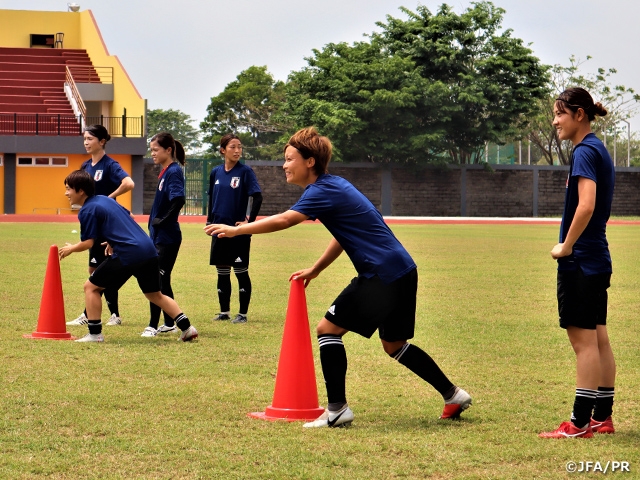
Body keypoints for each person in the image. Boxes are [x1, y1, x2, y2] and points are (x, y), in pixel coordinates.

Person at [205, 127, 471, 427]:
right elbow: (344, 235)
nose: (284, 165)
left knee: (327, 329)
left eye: (289, 159)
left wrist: (237, 229)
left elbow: (286, 219)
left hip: (380, 272)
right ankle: (453, 395)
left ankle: (337, 410)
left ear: (309, 162)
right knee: (394, 344)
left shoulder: (321, 191)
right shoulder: (335, 186)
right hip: (402, 269)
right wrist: (317, 269)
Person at [539, 88, 616, 439]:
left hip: (581, 260)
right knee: (598, 339)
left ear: (579, 114)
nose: (555, 121)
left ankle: (579, 423)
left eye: (560, 114)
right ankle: (602, 417)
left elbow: (586, 205)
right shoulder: (598, 148)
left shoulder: (585, 151)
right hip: (597, 258)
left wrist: (565, 246)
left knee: (583, 342)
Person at [58, 170, 198, 343]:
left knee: (91, 287)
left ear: (80, 191)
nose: (66, 193)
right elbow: (128, 217)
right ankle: (187, 328)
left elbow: (88, 243)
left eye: (68, 189)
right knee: (155, 295)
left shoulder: (86, 210)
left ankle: (94, 334)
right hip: (148, 249)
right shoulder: (106, 199)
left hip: (129, 253)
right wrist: (113, 239)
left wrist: (71, 248)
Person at [67, 125, 135, 328]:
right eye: (84, 139)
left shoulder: (110, 165)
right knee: (94, 269)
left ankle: (111, 314)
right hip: (94, 224)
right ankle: (97, 313)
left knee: (102, 270)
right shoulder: (86, 166)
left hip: (108, 226)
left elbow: (129, 183)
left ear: (102, 141)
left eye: (90, 139)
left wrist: (109, 198)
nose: (86, 142)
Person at [206, 133, 262, 324]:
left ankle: (243, 314)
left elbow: (257, 196)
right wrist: (209, 220)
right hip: (219, 230)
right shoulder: (216, 172)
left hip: (238, 231)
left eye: (239, 147)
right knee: (222, 270)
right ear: (223, 150)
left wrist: (250, 223)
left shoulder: (245, 172)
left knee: (240, 271)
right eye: (233, 147)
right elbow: (211, 198)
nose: (237, 150)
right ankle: (224, 312)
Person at [141, 133, 186, 337]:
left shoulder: (174, 171)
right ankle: (169, 322)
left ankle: (152, 325)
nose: (153, 153)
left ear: (168, 150)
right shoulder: (165, 171)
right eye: (151, 150)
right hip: (159, 237)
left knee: (156, 281)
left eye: (156, 150)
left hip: (167, 238)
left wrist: (163, 220)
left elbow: (179, 200)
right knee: (163, 280)